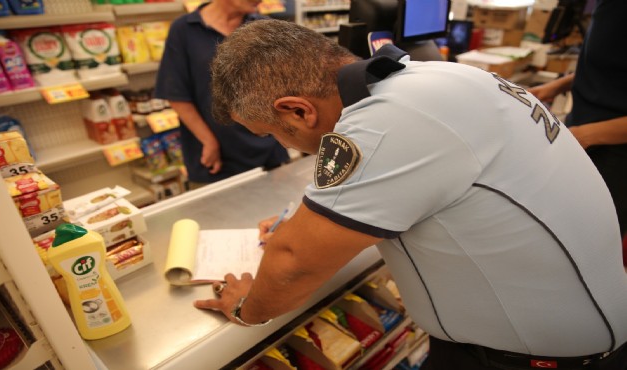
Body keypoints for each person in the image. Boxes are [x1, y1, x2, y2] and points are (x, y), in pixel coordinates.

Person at [194, 19, 627, 369]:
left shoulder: (387, 121)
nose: (286, 146)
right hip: (573, 332)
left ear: (298, 110)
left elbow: (292, 263)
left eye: (274, 133)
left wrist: (245, 308)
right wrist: (309, 218)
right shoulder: (434, 77)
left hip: (529, 358)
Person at [154, 0, 289, 190]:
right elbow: (176, 94)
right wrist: (209, 142)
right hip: (214, 156)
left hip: (267, 152)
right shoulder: (184, 29)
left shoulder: (264, 27)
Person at [529, 0, 627, 243]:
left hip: (614, 155)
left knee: (585, 245)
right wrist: (553, 87)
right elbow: (610, 65)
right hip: (581, 133)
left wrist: (584, 135)